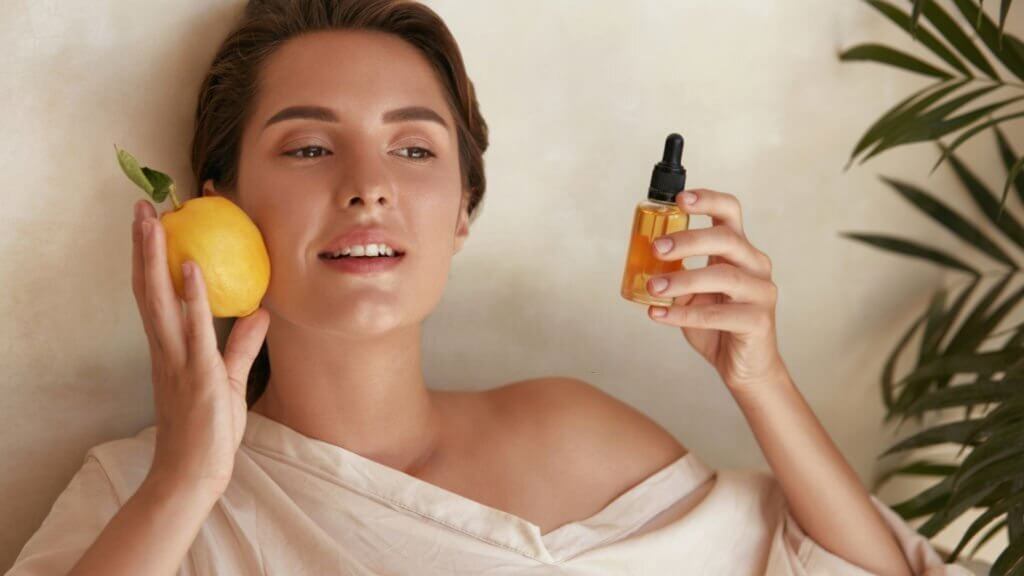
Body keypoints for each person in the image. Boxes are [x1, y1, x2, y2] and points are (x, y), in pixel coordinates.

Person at [6, 1, 973, 575]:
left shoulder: (574, 435)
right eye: (307, 145)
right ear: (222, 203)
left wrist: (761, 382)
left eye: (414, 147)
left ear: (462, 210)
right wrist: (186, 484)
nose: (369, 183)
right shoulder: (134, 494)